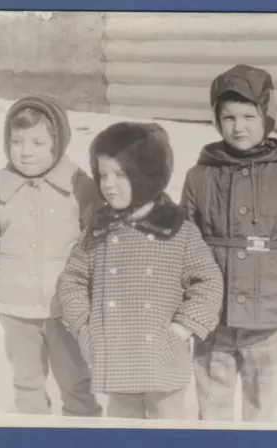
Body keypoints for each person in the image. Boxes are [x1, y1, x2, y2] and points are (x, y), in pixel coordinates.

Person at [180, 64, 277, 422]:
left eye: (248, 115)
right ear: (216, 121)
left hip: (268, 319)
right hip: (212, 318)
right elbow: (182, 245)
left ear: (267, 117)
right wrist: (182, 305)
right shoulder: (199, 176)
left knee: (262, 409)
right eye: (228, 117)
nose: (238, 126)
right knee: (212, 407)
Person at [58, 122, 223, 419]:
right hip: (117, 357)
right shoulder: (100, 230)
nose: (108, 184)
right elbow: (72, 280)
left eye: (121, 174)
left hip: (163, 357)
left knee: (168, 430)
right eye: (103, 174)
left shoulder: (178, 231)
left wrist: (182, 327)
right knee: (123, 430)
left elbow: (209, 283)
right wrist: (84, 326)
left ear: (146, 175)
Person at [0, 94, 101, 417]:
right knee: (27, 385)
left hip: (66, 311)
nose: (26, 151)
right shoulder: (0, 191)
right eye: (17, 141)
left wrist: (95, 300)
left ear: (59, 143)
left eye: (38, 142)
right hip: (16, 310)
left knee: (77, 383)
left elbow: (98, 245)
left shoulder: (80, 188)